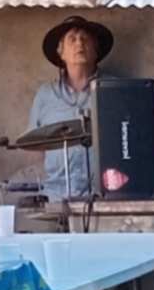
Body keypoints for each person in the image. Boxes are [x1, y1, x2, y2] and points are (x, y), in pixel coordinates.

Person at [30, 15, 112, 200]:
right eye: (72, 39)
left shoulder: (113, 89)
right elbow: (35, 144)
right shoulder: (45, 95)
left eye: (85, 39)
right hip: (57, 195)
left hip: (104, 196)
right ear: (61, 53)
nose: (79, 44)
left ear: (96, 49)